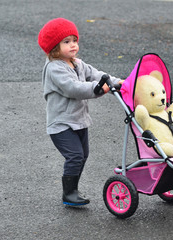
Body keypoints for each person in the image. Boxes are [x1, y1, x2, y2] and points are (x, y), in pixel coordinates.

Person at [38, 18, 122, 206]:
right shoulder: (54, 69)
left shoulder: (76, 63)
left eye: (74, 40)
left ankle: (73, 189)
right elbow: (73, 88)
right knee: (75, 156)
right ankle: (69, 194)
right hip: (61, 124)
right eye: (66, 42)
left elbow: (98, 75)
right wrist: (99, 88)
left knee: (83, 155)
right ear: (54, 47)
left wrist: (116, 82)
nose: (73, 45)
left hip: (79, 120)